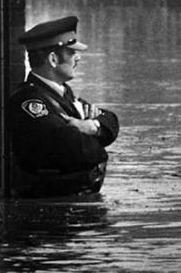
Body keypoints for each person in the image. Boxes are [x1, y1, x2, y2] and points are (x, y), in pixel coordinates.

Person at [7, 16, 119, 198]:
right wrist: (96, 140)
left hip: (76, 200)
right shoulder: (29, 101)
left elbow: (111, 120)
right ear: (53, 59)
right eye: (72, 53)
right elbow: (72, 147)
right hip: (50, 209)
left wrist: (91, 126)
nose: (78, 58)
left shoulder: (64, 94)